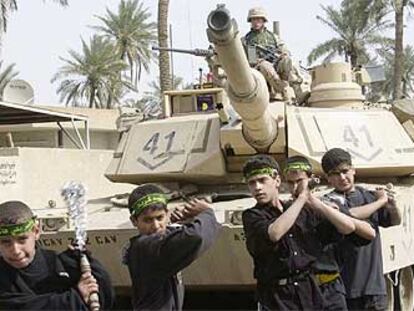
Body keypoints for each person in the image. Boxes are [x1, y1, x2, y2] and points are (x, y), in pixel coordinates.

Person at [241, 154, 358, 310]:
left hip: (308, 292)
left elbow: (348, 227)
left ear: (277, 180)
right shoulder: (253, 215)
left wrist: (318, 204)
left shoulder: (298, 210)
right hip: (278, 297)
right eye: (252, 183)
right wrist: (302, 198)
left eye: (262, 180)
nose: (257, 188)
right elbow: (275, 233)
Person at [284, 155, 376, 311]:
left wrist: (317, 204)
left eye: (299, 181)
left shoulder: (324, 207)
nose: (295, 187)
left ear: (310, 180)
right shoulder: (284, 211)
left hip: (330, 287)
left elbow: (359, 230)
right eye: (290, 183)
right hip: (302, 288)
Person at [321, 148, 401, 311]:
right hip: (345, 288)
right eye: (335, 174)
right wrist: (380, 202)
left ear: (353, 170)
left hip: (373, 287)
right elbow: (350, 214)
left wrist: (392, 204)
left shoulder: (367, 195)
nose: (342, 177)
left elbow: (395, 221)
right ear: (328, 178)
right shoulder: (328, 201)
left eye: (345, 171)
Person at [0, 200, 114, 310]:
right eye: (6, 242)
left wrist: (91, 266)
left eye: (22, 239)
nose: (15, 250)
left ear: (36, 231)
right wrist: (75, 298)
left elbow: (106, 297)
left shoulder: (61, 265)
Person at [123, 183, 220, 310]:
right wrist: (207, 213)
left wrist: (186, 221)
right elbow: (197, 237)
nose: (156, 225)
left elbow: (169, 236)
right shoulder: (145, 247)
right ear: (134, 221)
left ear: (167, 214)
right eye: (147, 220)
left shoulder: (153, 243)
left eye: (160, 218)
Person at [243, 7, 306, 103]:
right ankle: (284, 92)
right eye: (254, 19)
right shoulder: (246, 40)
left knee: (290, 61)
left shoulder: (273, 37)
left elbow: (284, 49)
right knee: (265, 66)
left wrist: (283, 54)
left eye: (259, 19)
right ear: (250, 21)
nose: (256, 22)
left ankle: (299, 94)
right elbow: (245, 60)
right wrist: (256, 61)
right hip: (258, 69)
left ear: (263, 21)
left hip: (276, 64)